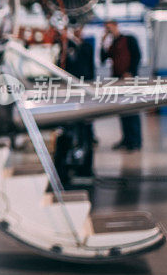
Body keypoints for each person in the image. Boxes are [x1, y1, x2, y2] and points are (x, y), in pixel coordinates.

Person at [54, 25, 96, 182]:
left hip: (83, 95)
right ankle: (64, 170)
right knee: (67, 133)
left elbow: (86, 69)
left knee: (85, 133)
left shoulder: (84, 47)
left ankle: (84, 169)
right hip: (67, 95)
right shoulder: (64, 48)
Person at [100, 19, 142, 150]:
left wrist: (130, 72)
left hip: (129, 79)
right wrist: (103, 41)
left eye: (110, 27)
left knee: (132, 109)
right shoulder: (112, 44)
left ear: (115, 26)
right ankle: (126, 139)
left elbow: (137, 56)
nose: (109, 30)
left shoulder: (129, 39)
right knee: (122, 110)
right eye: (106, 28)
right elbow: (103, 59)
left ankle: (135, 140)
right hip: (117, 81)